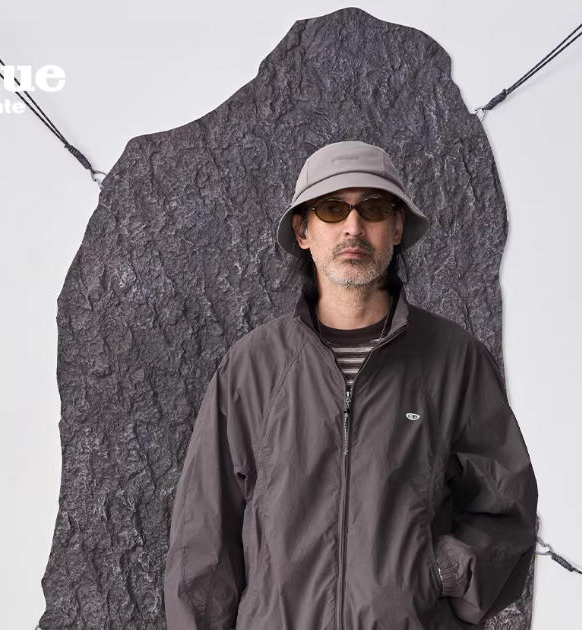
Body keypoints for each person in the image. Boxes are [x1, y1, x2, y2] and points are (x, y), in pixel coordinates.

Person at [163, 140, 538, 629]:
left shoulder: (455, 360)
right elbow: (203, 537)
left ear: (397, 228)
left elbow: (506, 505)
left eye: (374, 209)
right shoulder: (251, 368)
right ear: (303, 231)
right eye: (332, 209)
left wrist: (439, 573)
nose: (354, 227)